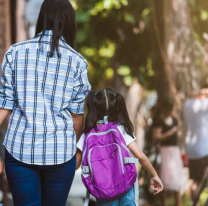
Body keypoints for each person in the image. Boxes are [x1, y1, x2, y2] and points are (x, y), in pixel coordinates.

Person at [0, 0, 91, 205]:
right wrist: (76, 150)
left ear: (42, 18)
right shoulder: (77, 62)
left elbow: (4, 105)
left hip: (19, 150)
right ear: (70, 23)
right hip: (60, 153)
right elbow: (77, 116)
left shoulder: (15, 53)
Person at [76, 88, 163, 206]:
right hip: (125, 187)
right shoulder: (120, 129)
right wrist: (154, 175)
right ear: (117, 106)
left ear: (93, 107)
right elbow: (141, 156)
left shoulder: (87, 133)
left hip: (102, 191)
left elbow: (76, 165)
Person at [152, 99, 184, 206]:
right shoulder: (159, 120)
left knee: (176, 180)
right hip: (164, 152)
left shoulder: (174, 119)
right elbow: (156, 136)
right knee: (163, 179)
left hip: (174, 151)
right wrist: (171, 133)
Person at [184, 89, 208, 206]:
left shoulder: (188, 103)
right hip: (203, 148)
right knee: (202, 181)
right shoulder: (203, 104)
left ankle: (196, 203)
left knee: (195, 181)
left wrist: (200, 93)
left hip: (191, 148)